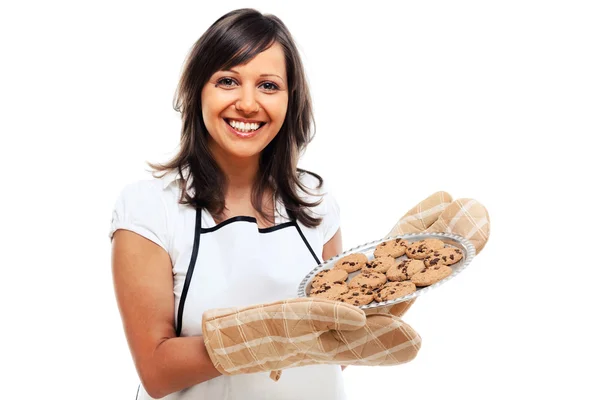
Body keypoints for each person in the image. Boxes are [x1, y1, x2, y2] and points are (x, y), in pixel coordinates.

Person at [110, 8, 423, 400]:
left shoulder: (316, 204)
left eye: (268, 85)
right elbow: (157, 371)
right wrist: (277, 331)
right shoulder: (149, 209)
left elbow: (329, 355)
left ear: (291, 99)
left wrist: (388, 299)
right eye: (227, 81)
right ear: (197, 91)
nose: (247, 103)